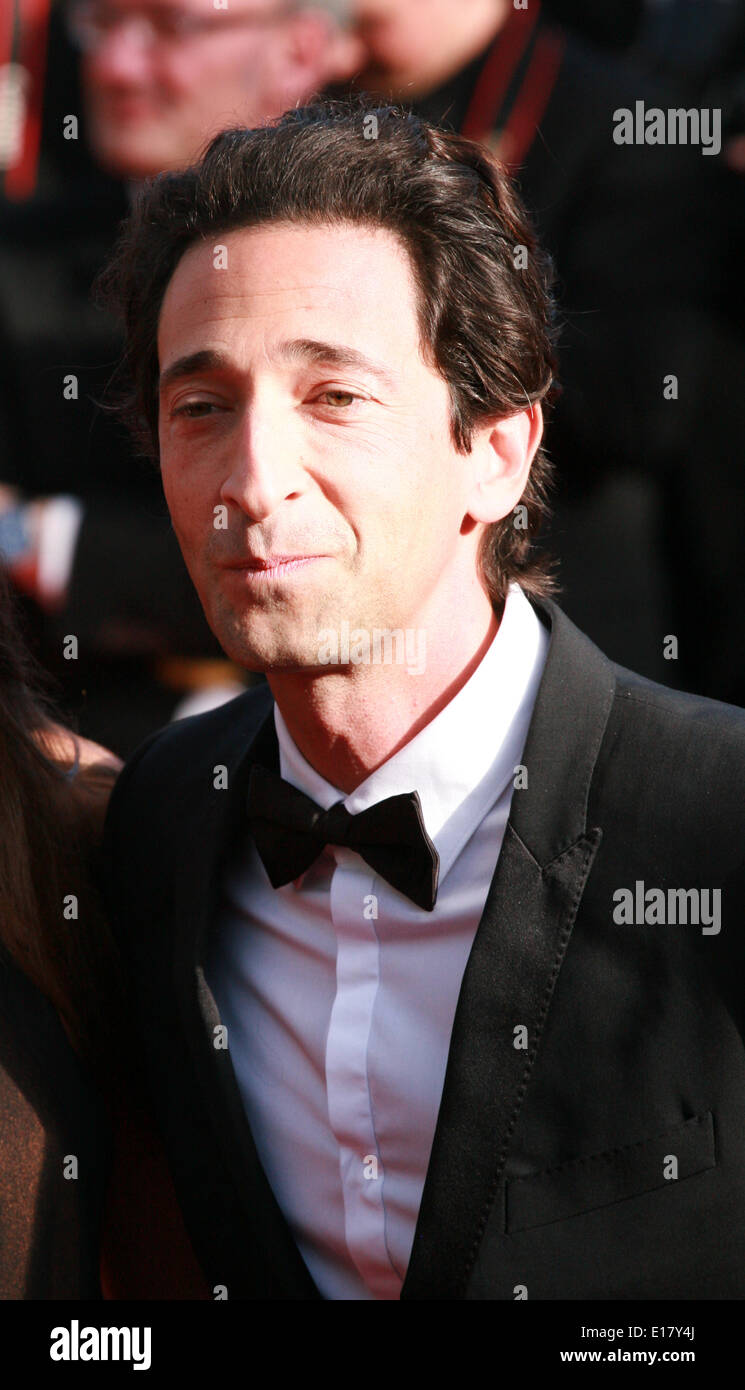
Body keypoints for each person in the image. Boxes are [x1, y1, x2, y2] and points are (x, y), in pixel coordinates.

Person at [100, 102, 745, 1300]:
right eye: (202, 408)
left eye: (333, 398)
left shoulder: (719, 817)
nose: (253, 479)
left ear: (496, 450)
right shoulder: (157, 830)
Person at [335, 0, 745, 705]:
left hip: (553, 626)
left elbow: (640, 404)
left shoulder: (623, 119)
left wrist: (408, 359)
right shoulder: (299, 90)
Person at [0, 0, 361, 755]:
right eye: (99, 24)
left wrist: (50, 541)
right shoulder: (18, 257)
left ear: (299, 48)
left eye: (170, 27)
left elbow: (395, 562)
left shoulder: (402, 253)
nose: (115, 66)